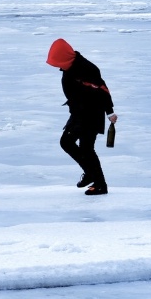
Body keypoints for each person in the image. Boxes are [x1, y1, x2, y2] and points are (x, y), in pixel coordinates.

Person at [46, 38, 117, 195]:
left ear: (64, 58)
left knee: (69, 143)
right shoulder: (70, 66)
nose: (57, 66)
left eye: (57, 62)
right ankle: (96, 180)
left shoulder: (86, 69)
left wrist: (110, 111)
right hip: (79, 113)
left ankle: (96, 179)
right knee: (83, 147)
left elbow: (103, 89)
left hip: (90, 114)